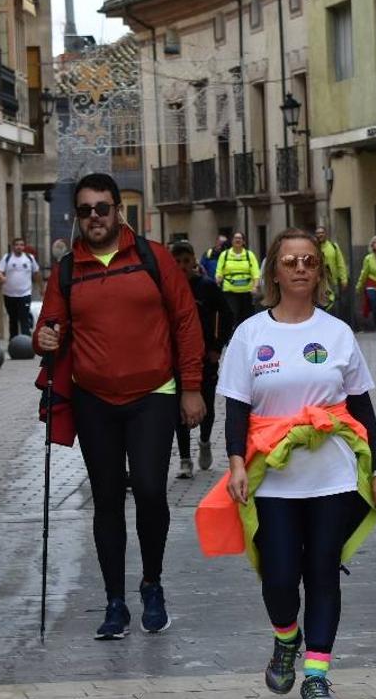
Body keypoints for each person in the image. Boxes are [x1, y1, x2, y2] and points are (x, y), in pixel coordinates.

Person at [208, 228, 376, 699]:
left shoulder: (337, 333)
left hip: (331, 475)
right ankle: (286, 637)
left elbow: (361, 407)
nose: (299, 268)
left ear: (320, 271)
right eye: (289, 261)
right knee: (279, 576)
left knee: (322, 573)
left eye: (308, 261)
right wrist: (234, 465)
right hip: (272, 477)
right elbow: (235, 408)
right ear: (273, 270)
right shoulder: (250, 334)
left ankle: (316, 676)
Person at [35, 173, 206, 640]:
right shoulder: (67, 270)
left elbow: (187, 321)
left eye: (102, 208)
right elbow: (49, 328)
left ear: (118, 211)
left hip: (154, 394)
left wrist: (191, 386)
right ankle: (115, 602)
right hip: (94, 400)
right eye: (85, 210)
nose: (94, 217)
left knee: (151, 490)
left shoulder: (154, 258)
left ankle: (152, 584)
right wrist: (44, 336)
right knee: (107, 501)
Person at [170, 241, 234, 480]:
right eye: (177, 262)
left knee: (205, 403)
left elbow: (226, 315)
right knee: (179, 409)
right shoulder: (168, 289)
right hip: (175, 359)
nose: (182, 266)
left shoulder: (206, 287)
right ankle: (185, 460)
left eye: (186, 261)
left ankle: (205, 441)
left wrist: (218, 347)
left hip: (205, 355)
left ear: (194, 261)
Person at [0, 237, 42, 338]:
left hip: (25, 294)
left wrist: (41, 288)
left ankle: (26, 343)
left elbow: (37, 273)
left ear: (24, 247)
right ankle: (13, 342)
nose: (19, 247)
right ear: (13, 247)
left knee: (24, 318)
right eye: (17, 245)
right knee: (13, 319)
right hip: (9, 294)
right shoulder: (7, 258)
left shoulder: (29, 258)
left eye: (21, 245)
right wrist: (1, 277)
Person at [215, 232, 260, 331]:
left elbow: (256, 273)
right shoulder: (225, 255)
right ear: (232, 241)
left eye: (240, 238)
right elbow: (219, 271)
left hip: (246, 292)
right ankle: (230, 338)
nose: (237, 240)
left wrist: (255, 287)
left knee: (246, 318)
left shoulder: (249, 255)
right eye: (235, 238)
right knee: (231, 316)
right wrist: (218, 279)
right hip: (230, 291)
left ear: (243, 241)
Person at [314, 226, 348, 315]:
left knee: (334, 303)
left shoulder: (334, 246)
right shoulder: (313, 248)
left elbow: (340, 263)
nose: (320, 235)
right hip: (318, 281)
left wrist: (344, 279)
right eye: (318, 233)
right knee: (320, 304)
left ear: (326, 234)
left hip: (332, 281)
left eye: (322, 233)